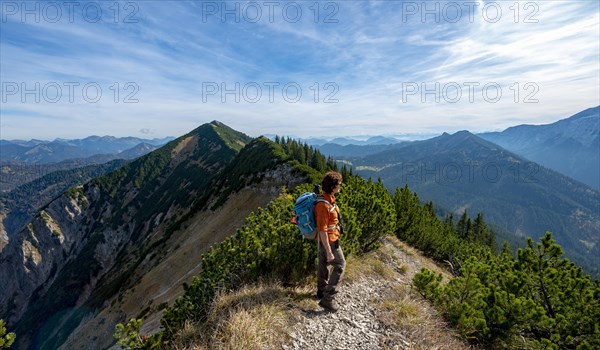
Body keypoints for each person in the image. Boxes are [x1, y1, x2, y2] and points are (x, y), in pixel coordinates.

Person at [314, 171, 346, 311]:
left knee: (323, 264)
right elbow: (322, 229)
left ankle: (321, 291)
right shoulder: (323, 205)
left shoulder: (328, 199)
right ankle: (328, 298)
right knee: (340, 265)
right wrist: (329, 250)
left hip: (328, 239)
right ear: (333, 186)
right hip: (330, 240)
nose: (340, 186)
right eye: (339, 184)